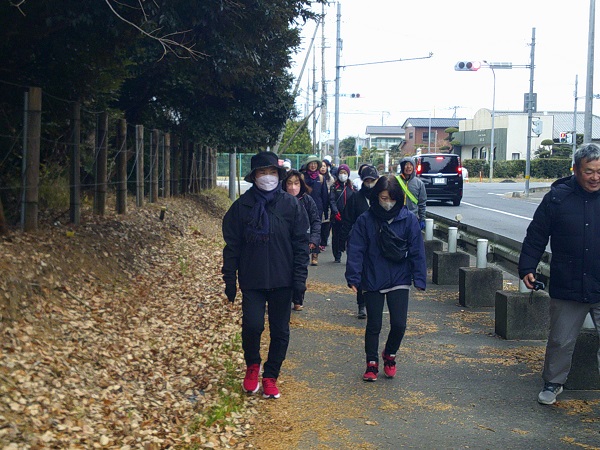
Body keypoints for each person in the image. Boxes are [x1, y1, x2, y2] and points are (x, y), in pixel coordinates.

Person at [222, 151, 310, 399]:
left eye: (272, 172)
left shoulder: (290, 205)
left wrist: (299, 281)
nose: (268, 177)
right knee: (253, 324)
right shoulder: (242, 207)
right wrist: (230, 278)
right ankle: (252, 366)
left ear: (279, 176)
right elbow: (232, 245)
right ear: (254, 176)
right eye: (263, 172)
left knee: (280, 330)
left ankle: (271, 375)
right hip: (253, 279)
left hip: (283, 280)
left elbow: (301, 245)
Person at [518, 143, 600, 405]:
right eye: (589, 171)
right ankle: (553, 383)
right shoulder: (557, 198)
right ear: (575, 170)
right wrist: (527, 267)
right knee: (561, 340)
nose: (595, 177)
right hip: (569, 281)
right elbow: (537, 235)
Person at [345, 175, 427, 382]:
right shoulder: (365, 220)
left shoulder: (408, 219)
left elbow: (417, 249)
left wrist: (420, 277)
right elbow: (356, 249)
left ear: (398, 198)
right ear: (376, 197)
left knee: (399, 324)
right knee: (374, 324)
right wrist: (353, 276)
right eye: (383, 198)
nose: (387, 202)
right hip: (372, 276)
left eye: (391, 198)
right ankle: (371, 362)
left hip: (399, 276)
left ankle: (389, 354)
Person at [340, 164, 379, 319]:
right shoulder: (356, 198)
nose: (370, 182)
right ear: (363, 180)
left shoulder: (380, 197)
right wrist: (344, 239)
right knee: (361, 273)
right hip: (359, 241)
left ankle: (373, 303)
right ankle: (361, 304)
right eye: (367, 179)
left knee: (375, 272)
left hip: (378, 241)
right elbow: (347, 219)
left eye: (372, 180)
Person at [283, 169, 321, 311]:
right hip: (283, 244)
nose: (293, 187)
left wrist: (314, 239)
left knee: (300, 272)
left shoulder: (307, 200)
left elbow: (316, 221)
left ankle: (298, 298)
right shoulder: (280, 200)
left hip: (303, 243)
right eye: (289, 183)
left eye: (296, 183)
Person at [301, 155, 329, 266]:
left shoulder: (321, 178)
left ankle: (315, 255)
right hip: (304, 206)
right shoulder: (302, 177)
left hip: (318, 207)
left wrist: (326, 211)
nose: (313, 166)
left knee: (316, 230)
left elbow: (325, 196)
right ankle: (304, 253)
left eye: (315, 164)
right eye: (311, 164)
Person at [329, 164, 355, 263]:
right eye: (341, 173)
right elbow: (331, 200)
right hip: (337, 217)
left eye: (344, 173)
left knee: (350, 236)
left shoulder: (352, 187)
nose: (342, 175)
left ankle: (350, 255)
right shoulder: (334, 187)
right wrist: (336, 212)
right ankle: (337, 255)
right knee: (336, 236)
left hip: (349, 217)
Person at [397, 157, 427, 229]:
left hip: (413, 217)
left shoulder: (419, 183)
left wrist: (422, 218)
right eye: (406, 164)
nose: (408, 167)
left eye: (411, 164)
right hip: (397, 217)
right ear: (402, 166)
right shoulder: (395, 181)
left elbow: (422, 203)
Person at [319, 159, 335, 252]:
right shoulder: (317, 178)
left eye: (324, 166)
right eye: (321, 166)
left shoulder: (331, 178)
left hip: (328, 203)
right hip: (319, 202)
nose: (323, 168)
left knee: (326, 223)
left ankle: (323, 242)